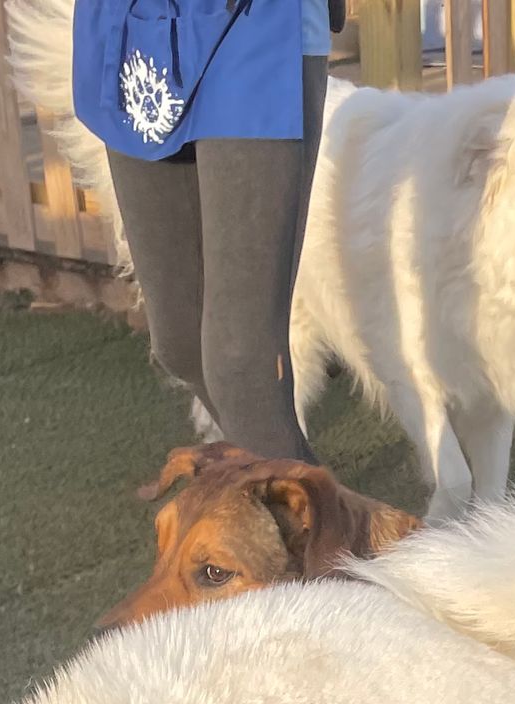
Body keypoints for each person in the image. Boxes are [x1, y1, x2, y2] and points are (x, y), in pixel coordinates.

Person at [72, 0, 336, 455]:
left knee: (242, 365)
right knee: (181, 343)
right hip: (135, 18)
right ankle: (288, 493)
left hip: (258, 24)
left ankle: (304, 501)